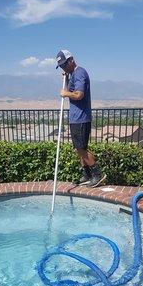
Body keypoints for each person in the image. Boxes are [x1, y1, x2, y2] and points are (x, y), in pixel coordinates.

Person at [55, 49, 106, 186]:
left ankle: (97, 174)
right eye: (61, 66)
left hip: (81, 118)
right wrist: (65, 79)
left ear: (71, 60)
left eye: (65, 64)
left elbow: (79, 95)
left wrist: (65, 93)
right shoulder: (73, 75)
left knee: (81, 149)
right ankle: (87, 174)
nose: (63, 67)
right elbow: (68, 91)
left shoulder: (80, 73)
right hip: (76, 118)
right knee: (79, 149)